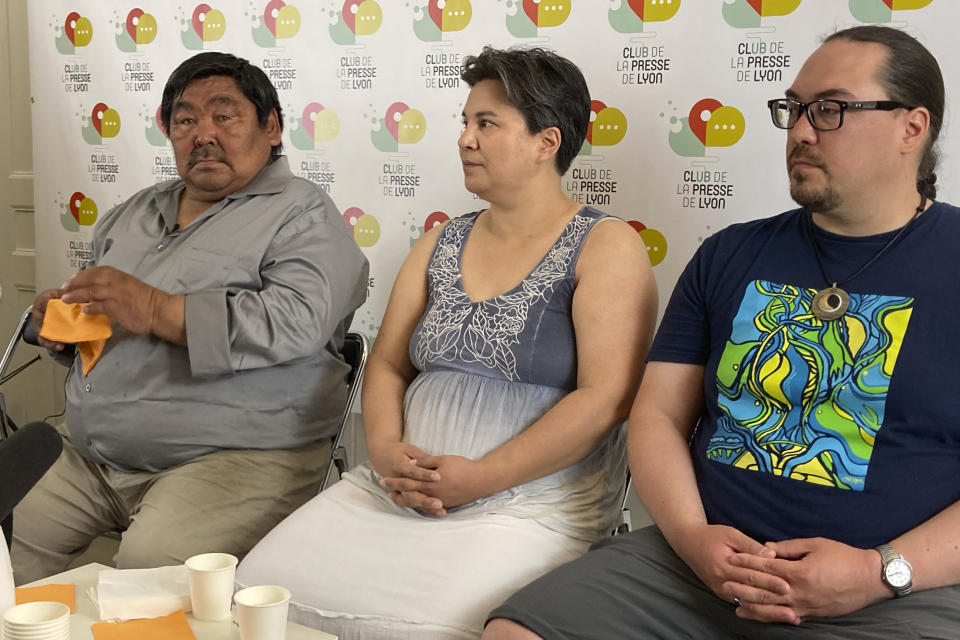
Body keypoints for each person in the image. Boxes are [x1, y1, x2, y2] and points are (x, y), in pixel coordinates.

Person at [484, 25, 960, 640]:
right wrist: (693, 539)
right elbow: (656, 416)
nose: (801, 130)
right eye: (793, 109)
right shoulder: (729, 254)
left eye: (831, 109)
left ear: (912, 127)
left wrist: (880, 571)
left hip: (892, 593)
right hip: (695, 574)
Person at [236, 46, 658, 639]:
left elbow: (607, 399)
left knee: (429, 627)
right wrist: (385, 453)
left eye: (486, 124)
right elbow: (386, 364)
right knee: (255, 594)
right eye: (465, 122)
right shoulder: (440, 240)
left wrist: (483, 477)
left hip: (529, 504)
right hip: (395, 492)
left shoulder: (607, 245)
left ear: (547, 142)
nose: (465, 139)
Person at [11, 52, 368, 583]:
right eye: (185, 120)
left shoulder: (304, 215)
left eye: (224, 116)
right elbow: (103, 329)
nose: (203, 133)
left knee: (145, 578)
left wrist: (156, 309)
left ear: (271, 127)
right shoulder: (130, 214)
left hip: (237, 455)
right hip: (90, 451)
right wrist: (62, 326)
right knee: (2, 529)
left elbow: (297, 321)